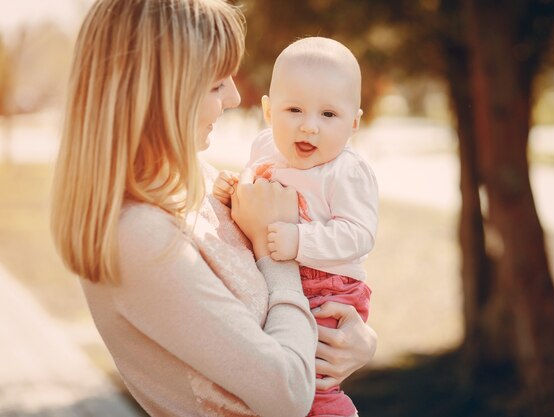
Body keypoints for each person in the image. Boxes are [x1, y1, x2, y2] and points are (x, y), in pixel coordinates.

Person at [50, 2, 376, 417]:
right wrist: (273, 245)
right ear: (161, 89)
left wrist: (358, 339)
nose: (236, 96)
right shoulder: (140, 237)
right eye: (216, 83)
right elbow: (288, 394)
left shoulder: (194, 181)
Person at [213, 37, 378, 417]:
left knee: (312, 379)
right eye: (295, 110)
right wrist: (233, 189)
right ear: (269, 112)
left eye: (328, 115)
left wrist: (299, 239)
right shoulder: (265, 146)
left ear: (353, 123)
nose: (309, 127)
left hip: (329, 284)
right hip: (286, 276)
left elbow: (359, 235)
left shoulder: (347, 171)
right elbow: (257, 191)